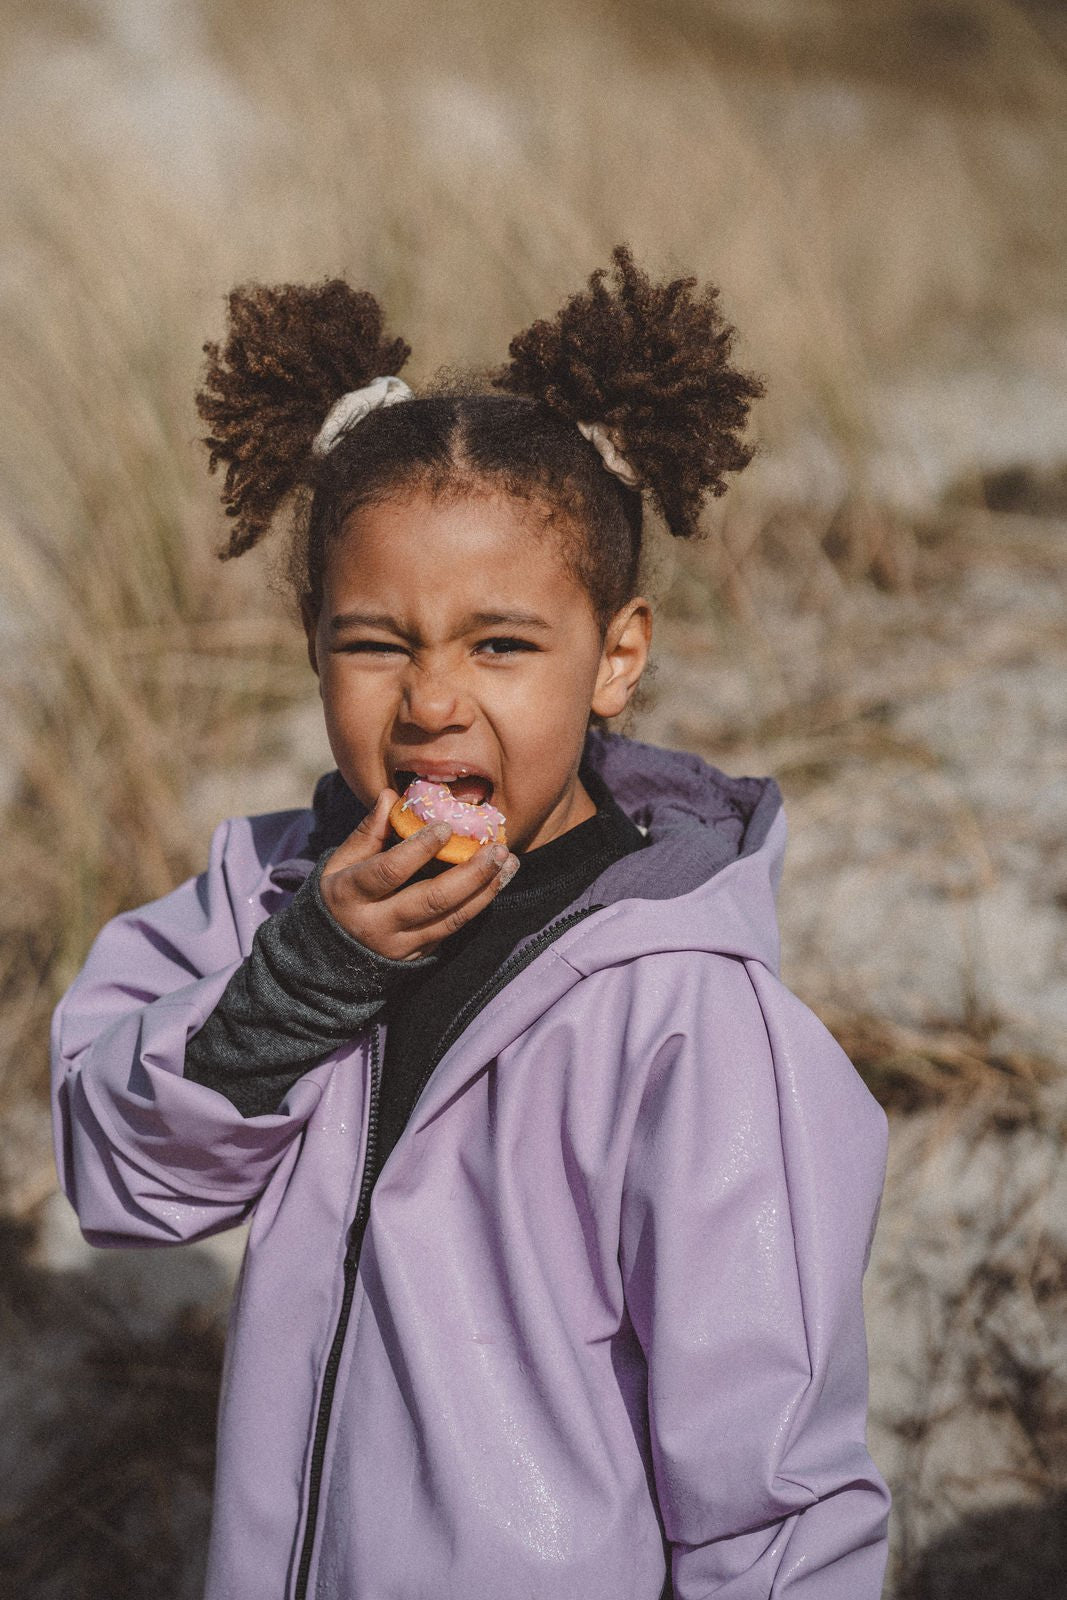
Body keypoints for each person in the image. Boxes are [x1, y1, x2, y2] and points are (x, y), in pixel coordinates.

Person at [51, 247, 890, 1599]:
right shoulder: (268, 894)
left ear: (616, 655)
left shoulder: (687, 1013)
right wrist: (309, 977)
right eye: (378, 642)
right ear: (312, 642)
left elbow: (775, 1502)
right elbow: (121, 1174)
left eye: (501, 645)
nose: (433, 701)